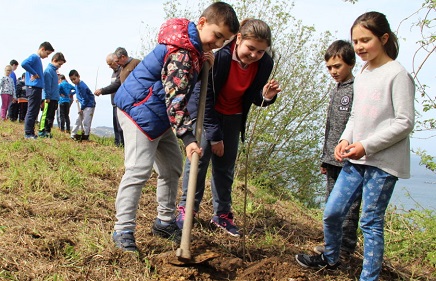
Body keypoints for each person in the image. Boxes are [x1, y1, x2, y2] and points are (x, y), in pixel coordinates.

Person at [295, 12, 415, 281]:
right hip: (355, 159)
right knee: (332, 212)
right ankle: (331, 258)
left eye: (365, 40)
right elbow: (355, 117)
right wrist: (345, 140)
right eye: (356, 41)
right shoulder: (363, 72)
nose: (359, 46)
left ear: (383, 38)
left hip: (383, 164)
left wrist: (366, 145)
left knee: (370, 223)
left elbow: (405, 122)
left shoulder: (397, 75)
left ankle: (368, 277)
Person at [111, 1, 240, 252]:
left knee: (171, 167)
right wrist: (189, 138)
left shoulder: (192, 46)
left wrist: (204, 60)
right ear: (201, 23)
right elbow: (176, 99)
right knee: (138, 170)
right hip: (139, 110)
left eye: (224, 40)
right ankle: (123, 229)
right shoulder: (181, 52)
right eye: (217, 35)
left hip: (158, 115)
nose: (218, 43)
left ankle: (165, 221)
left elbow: (176, 96)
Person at [176, 19, 280, 237]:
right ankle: (188, 208)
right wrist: (214, 136)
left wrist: (266, 97)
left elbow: (253, 97)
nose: (254, 55)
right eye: (250, 48)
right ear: (239, 39)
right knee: (199, 159)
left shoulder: (265, 64)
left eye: (260, 52)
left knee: (225, 167)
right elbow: (205, 94)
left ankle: (222, 214)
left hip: (233, 116)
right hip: (207, 112)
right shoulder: (221, 57)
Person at [311, 40, 360, 262]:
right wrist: (325, 158)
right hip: (332, 158)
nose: (333, 71)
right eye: (329, 67)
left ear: (350, 63)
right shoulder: (336, 90)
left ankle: (346, 248)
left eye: (337, 66)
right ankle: (332, 245)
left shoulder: (357, 90)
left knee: (349, 207)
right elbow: (330, 128)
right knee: (332, 204)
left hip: (350, 159)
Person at [21, 41, 55, 139]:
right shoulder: (35, 57)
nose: (47, 56)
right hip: (33, 88)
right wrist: (34, 73)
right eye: (47, 53)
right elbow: (24, 63)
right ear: (42, 49)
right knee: (32, 111)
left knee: (35, 111)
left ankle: (31, 132)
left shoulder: (38, 59)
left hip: (37, 88)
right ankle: (28, 133)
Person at [94, 53, 124, 146]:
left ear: (115, 61)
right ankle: (117, 144)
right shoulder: (114, 72)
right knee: (115, 126)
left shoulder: (121, 71)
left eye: (110, 64)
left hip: (120, 102)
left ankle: (122, 144)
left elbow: (116, 85)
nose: (109, 66)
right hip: (113, 102)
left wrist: (102, 91)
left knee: (120, 127)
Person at [38, 52, 66, 138]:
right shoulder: (48, 71)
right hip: (48, 98)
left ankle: (48, 131)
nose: (60, 66)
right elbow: (47, 86)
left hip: (54, 98)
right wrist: (47, 96)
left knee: (51, 116)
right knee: (46, 115)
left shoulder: (54, 71)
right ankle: (42, 131)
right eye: (59, 64)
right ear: (54, 60)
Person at [69, 69, 96, 141]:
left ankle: (86, 135)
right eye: (71, 80)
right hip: (83, 104)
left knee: (86, 121)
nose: (73, 81)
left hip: (89, 105)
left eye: (74, 79)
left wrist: (82, 108)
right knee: (78, 119)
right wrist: (74, 95)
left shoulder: (82, 86)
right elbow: (77, 91)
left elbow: (85, 98)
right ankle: (73, 133)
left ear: (78, 77)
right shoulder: (77, 85)